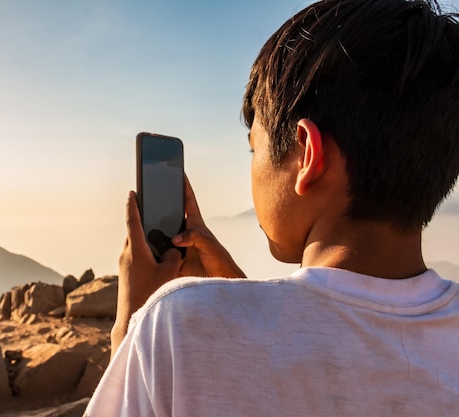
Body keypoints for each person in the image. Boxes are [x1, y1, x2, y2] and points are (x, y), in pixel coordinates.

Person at [84, 0, 459, 415]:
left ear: (307, 155)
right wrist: (240, 301)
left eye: (254, 150)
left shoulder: (175, 326)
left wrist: (135, 326)